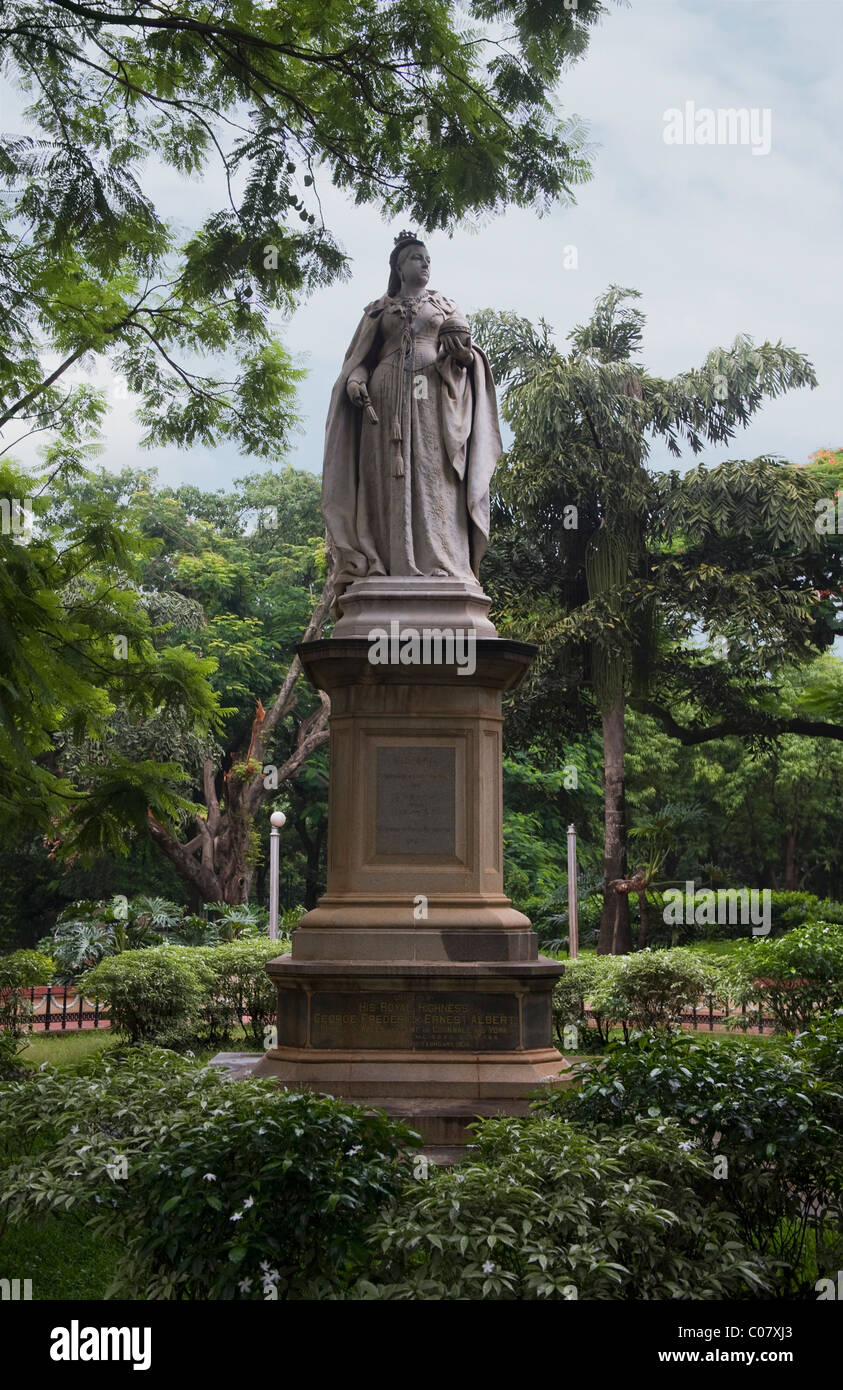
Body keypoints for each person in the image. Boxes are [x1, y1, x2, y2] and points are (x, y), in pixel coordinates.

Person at [322, 231, 502, 601]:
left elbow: (466, 352)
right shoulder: (378, 310)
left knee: (434, 475)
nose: (425, 263)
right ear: (399, 266)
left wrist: (464, 355)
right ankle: (381, 561)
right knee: (382, 478)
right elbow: (359, 362)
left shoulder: (446, 307)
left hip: (432, 401)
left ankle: (443, 560)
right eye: (417, 258)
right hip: (384, 405)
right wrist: (355, 383)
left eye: (428, 258)